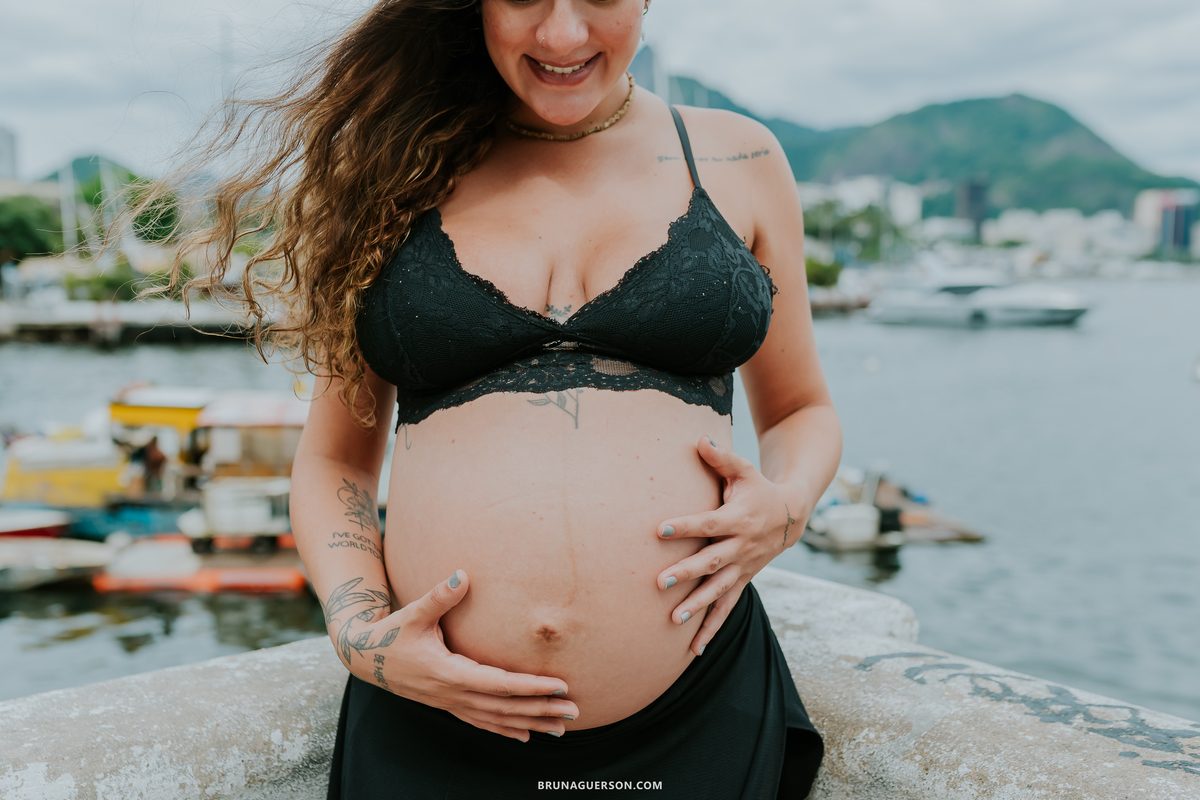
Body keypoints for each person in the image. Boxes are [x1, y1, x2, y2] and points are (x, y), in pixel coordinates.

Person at [159, 0, 842, 796]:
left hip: (696, 715)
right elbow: (335, 461)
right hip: (431, 725)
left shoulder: (738, 158)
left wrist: (785, 508)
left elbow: (801, 410)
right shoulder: (391, 166)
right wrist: (360, 635)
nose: (562, 34)